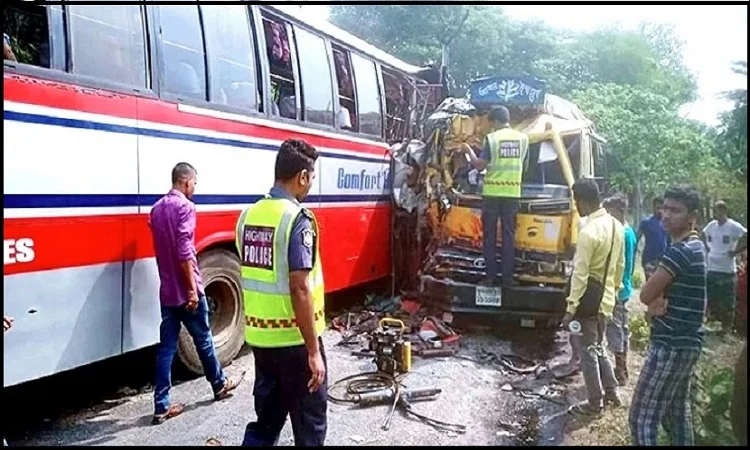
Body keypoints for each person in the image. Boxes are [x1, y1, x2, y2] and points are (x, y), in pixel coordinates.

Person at [239, 139, 328, 447]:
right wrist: (314, 352)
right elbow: (300, 287)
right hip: (295, 343)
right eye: (311, 178)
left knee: (265, 424)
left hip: (262, 342)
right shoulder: (297, 219)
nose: (310, 186)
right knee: (310, 427)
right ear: (302, 176)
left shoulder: (248, 216)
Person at [148, 163, 242, 425]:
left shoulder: (156, 210)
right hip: (186, 290)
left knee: (166, 348)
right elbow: (185, 253)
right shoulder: (186, 208)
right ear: (186, 182)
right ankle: (220, 385)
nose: (195, 189)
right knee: (203, 340)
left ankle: (161, 405)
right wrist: (191, 290)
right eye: (195, 184)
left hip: (166, 291)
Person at [629, 185, 706, 446]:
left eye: (676, 210)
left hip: (670, 344)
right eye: (665, 208)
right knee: (676, 416)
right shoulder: (696, 247)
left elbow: (645, 295)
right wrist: (654, 303)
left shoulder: (680, 252)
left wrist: (652, 303)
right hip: (687, 342)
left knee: (641, 419)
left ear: (692, 217)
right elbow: (653, 298)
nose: (666, 214)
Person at [562, 179, 624, 416]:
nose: (576, 206)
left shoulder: (588, 232)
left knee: (587, 350)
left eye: (576, 201)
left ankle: (594, 403)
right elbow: (620, 264)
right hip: (606, 298)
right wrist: (614, 292)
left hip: (587, 301)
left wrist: (570, 308)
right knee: (598, 347)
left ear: (583, 202)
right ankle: (612, 392)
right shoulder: (617, 226)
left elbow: (580, 274)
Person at [461, 106, 529, 287]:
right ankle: (507, 278)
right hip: (513, 194)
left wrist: (468, 150)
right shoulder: (523, 139)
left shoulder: (492, 139)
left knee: (489, 237)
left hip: (492, 194)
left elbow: (479, 165)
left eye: (491, 123)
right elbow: (526, 166)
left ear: (496, 121)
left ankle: (490, 277)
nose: (490, 127)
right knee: (508, 237)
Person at [603, 194, 637, 385]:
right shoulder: (629, 232)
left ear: (620, 211)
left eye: (610, 211)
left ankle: (620, 370)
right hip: (625, 287)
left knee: (615, 329)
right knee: (622, 328)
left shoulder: (620, 234)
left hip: (616, 288)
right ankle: (622, 367)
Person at [702, 200, 747, 332]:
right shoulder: (712, 225)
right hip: (712, 268)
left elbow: (746, 235)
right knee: (712, 297)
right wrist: (707, 247)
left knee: (728, 300)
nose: (717, 214)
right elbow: (703, 234)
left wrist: (736, 251)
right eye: (715, 211)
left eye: (719, 211)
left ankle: (726, 329)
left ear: (724, 211)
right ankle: (712, 324)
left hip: (727, 269)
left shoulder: (733, 226)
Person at [637, 196, 669, 280]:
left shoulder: (668, 223)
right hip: (649, 260)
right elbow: (636, 239)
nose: (660, 211)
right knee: (650, 286)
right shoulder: (646, 222)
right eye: (658, 208)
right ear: (653, 208)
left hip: (664, 261)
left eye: (662, 208)